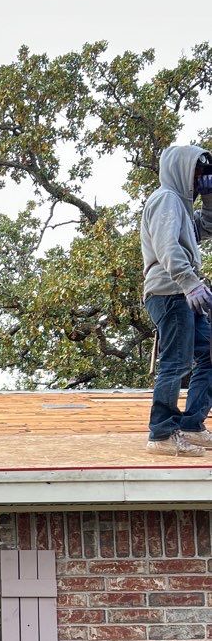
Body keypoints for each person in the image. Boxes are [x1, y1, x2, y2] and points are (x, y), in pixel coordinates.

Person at [141, 144, 212, 455]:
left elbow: (206, 229)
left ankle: (191, 425)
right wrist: (190, 284)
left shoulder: (180, 206)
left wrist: (209, 200)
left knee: (208, 354)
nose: (199, 180)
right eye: (197, 173)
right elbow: (168, 249)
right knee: (175, 362)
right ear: (181, 170)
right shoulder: (166, 199)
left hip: (183, 292)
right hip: (170, 292)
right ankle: (161, 434)